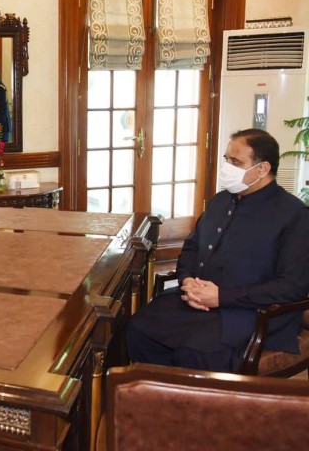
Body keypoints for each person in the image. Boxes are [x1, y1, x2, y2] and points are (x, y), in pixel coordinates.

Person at [127, 128, 309, 372]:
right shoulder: (221, 201)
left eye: (235, 162)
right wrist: (188, 279)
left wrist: (221, 297)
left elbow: (292, 287)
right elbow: (192, 247)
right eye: (226, 159)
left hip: (252, 312)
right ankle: (154, 402)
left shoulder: (294, 215)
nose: (227, 167)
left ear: (262, 169)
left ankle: (196, 408)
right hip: (200, 302)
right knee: (139, 328)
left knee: (193, 352)